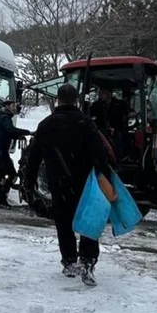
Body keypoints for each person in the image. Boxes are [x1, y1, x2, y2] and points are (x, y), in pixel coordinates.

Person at [23, 83, 111, 287]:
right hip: (84, 184)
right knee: (89, 221)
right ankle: (88, 261)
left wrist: (28, 181)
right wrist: (104, 177)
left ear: (58, 100)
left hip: (58, 183)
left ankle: (70, 261)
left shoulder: (46, 125)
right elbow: (100, 155)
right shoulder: (86, 123)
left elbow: (34, 157)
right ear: (76, 101)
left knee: (64, 223)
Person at [0, 100, 31, 209]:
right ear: (7, 107)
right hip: (1, 152)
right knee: (9, 174)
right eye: (13, 105)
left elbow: (7, 133)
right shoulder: (5, 118)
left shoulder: (2, 118)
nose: (16, 107)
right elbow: (10, 130)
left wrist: (18, 136)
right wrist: (27, 132)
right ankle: (0, 198)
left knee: (1, 176)